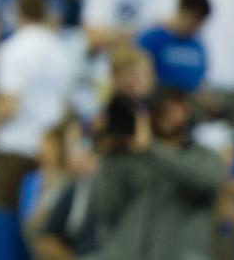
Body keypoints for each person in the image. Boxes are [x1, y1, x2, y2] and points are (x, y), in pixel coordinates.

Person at [83, 89, 224, 260]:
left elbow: (207, 181)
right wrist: (109, 152)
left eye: (174, 108)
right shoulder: (132, 158)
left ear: (188, 111)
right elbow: (104, 207)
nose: (167, 115)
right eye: (160, 109)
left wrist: (150, 147)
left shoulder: (204, 156)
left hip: (183, 254)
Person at [0, 0, 74, 210]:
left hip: (17, 146)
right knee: (46, 219)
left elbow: (10, 107)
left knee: (10, 218)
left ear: (17, 11)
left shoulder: (13, 50)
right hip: (53, 148)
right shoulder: (61, 49)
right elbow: (65, 103)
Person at [137, 0, 210, 93]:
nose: (197, 26)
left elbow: (201, 81)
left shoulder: (197, 45)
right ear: (183, 11)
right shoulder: (152, 39)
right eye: (195, 19)